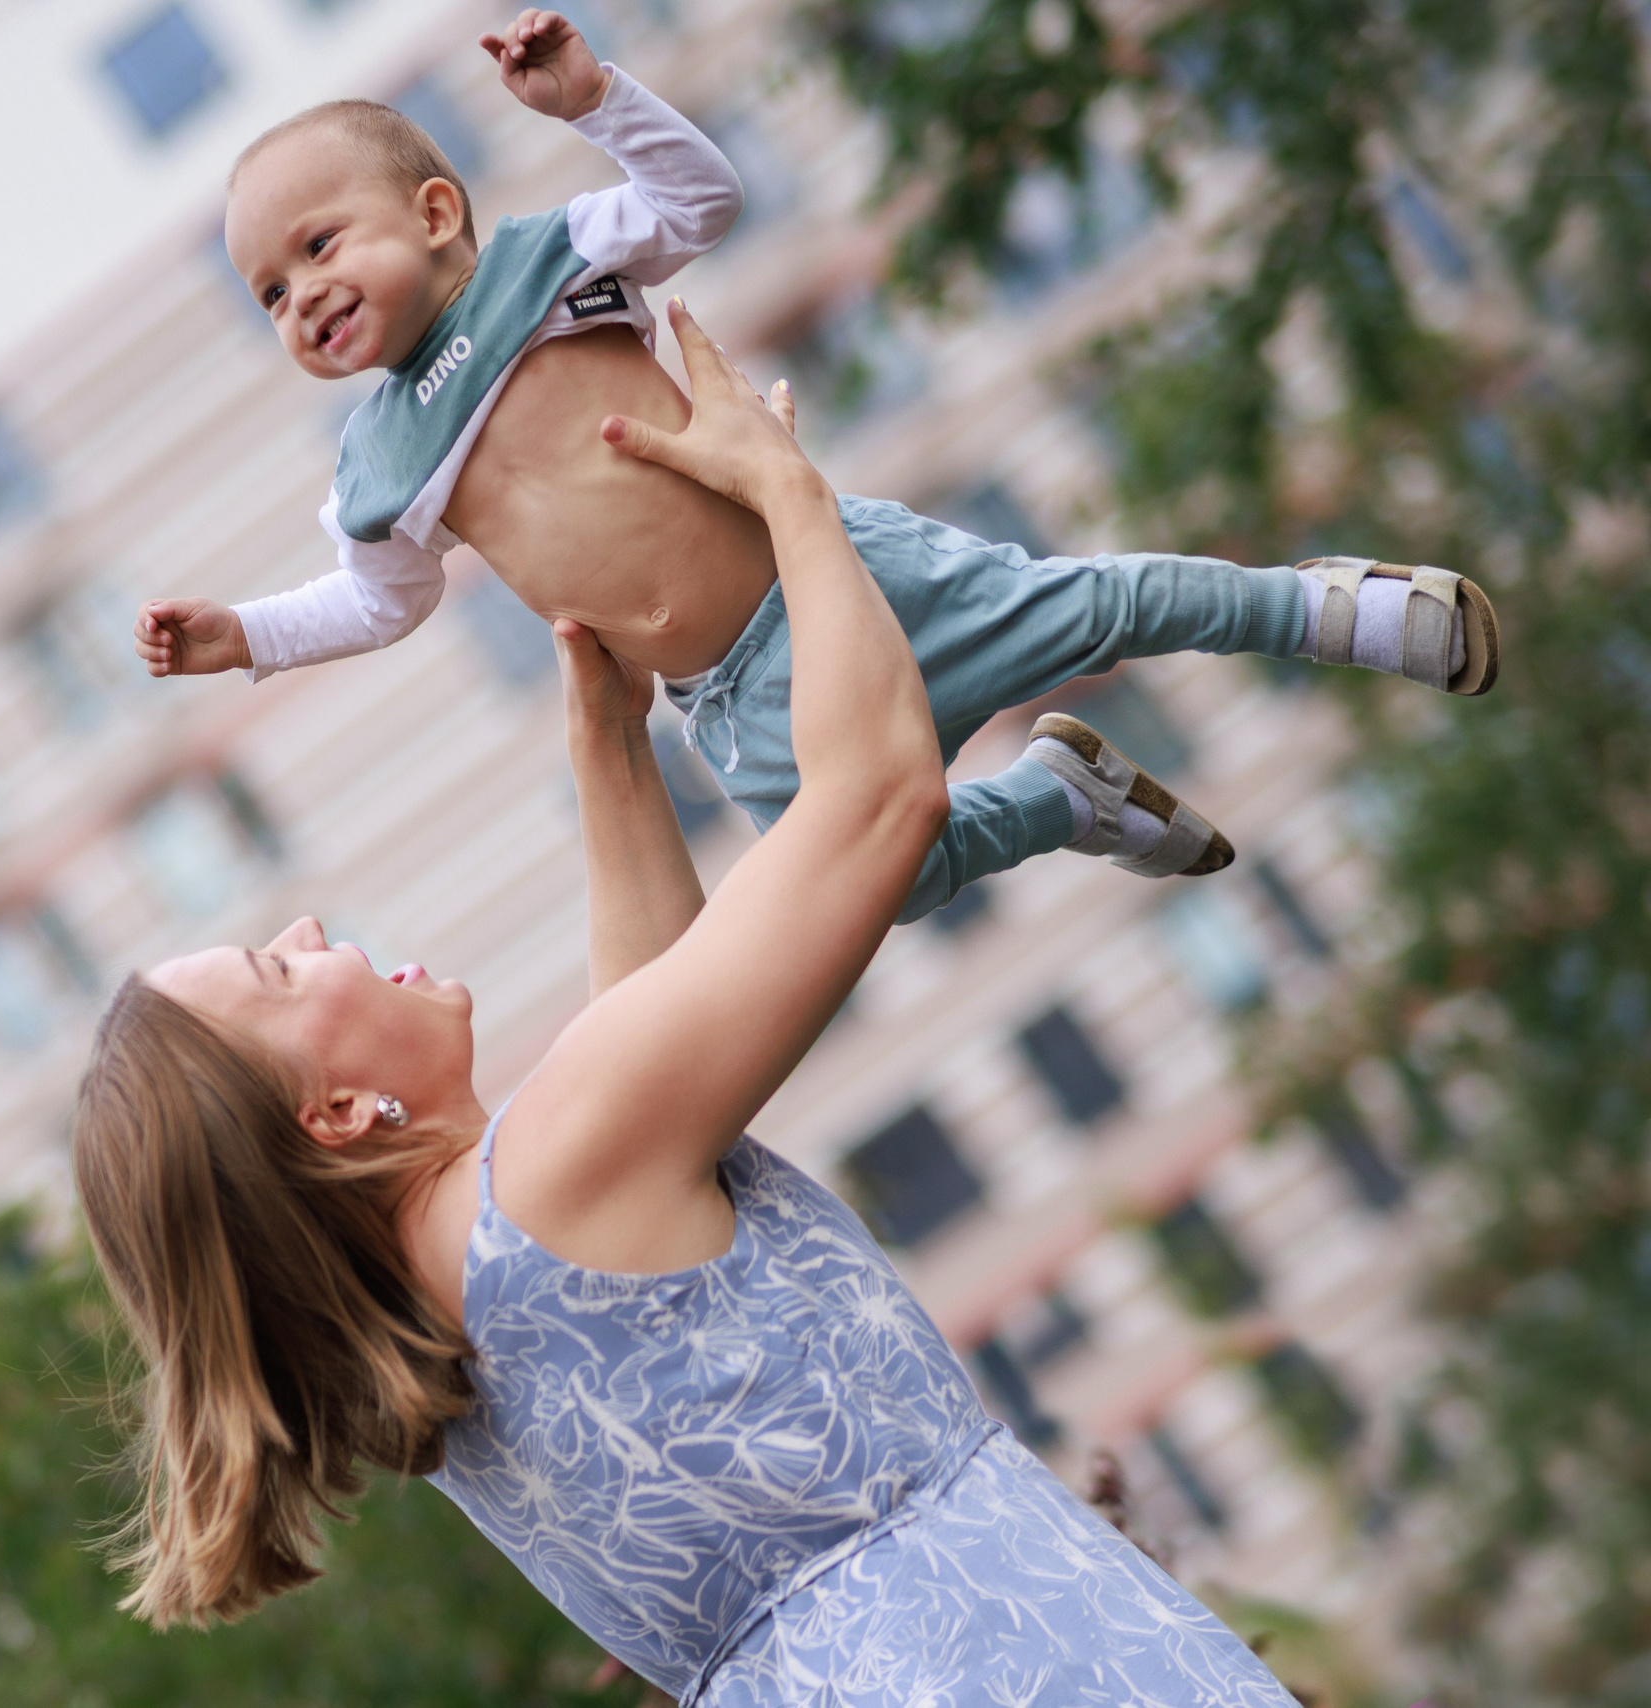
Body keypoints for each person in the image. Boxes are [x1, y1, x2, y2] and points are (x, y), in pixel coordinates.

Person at [77, 304, 1301, 1706]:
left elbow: (654, 1026)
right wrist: (789, 500)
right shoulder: (549, 1176)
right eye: (283, 972)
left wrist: (608, 740)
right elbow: (881, 800)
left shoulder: (465, 1303)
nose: (309, 931)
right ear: (341, 1113)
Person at [133, 8, 1498, 920]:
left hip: (827, 577)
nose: (299, 295)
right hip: (728, 699)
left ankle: (1331, 609)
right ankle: (1055, 802)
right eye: (267, 291)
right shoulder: (374, 467)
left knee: (1099, 611)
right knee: (880, 880)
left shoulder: (546, 267)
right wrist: (241, 636)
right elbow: (381, 600)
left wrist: (598, 100)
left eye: (319, 246)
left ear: (436, 213)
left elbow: (700, 203)